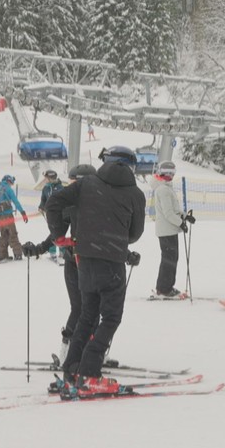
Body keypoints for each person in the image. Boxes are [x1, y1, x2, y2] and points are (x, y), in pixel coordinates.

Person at [39, 146, 146, 398]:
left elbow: (53, 203)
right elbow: (135, 234)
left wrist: (58, 236)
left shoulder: (86, 185)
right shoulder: (135, 194)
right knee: (110, 317)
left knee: (88, 314)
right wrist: (117, 238)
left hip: (84, 260)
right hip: (112, 261)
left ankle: (72, 371)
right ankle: (89, 373)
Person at [22, 164, 97, 365]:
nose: (71, 187)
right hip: (75, 263)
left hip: (88, 263)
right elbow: (57, 233)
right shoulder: (72, 204)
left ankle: (89, 352)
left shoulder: (97, 205)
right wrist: (38, 248)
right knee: (81, 308)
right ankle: (68, 353)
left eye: (74, 182)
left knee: (89, 309)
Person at [150, 161, 195, 298]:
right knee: (169, 260)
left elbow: (174, 209)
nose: (171, 176)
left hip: (169, 230)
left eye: (172, 173)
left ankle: (166, 287)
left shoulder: (166, 188)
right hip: (166, 230)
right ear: (163, 174)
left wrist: (185, 216)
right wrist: (181, 223)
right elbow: (168, 213)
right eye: (169, 173)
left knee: (171, 259)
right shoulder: (163, 190)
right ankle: (164, 289)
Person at [0, 174, 28, 261]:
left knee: (3, 235)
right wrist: (23, 212)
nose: (11, 185)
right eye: (12, 183)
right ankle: (18, 255)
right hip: (8, 216)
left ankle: (3, 256)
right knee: (12, 234)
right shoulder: (8, 189)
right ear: (9, 181)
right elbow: (15, 201)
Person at [38, 169, 64, 261]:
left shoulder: (60, 188)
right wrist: (41, 207)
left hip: (59, 214)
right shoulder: (46, 188)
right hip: (49, 214)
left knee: (59, 232)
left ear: (51, 178)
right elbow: (43, 200)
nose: (45, 180)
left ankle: (62, 250)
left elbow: (64, 200)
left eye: (46, 178)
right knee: (52, 232)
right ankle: (52, 250)